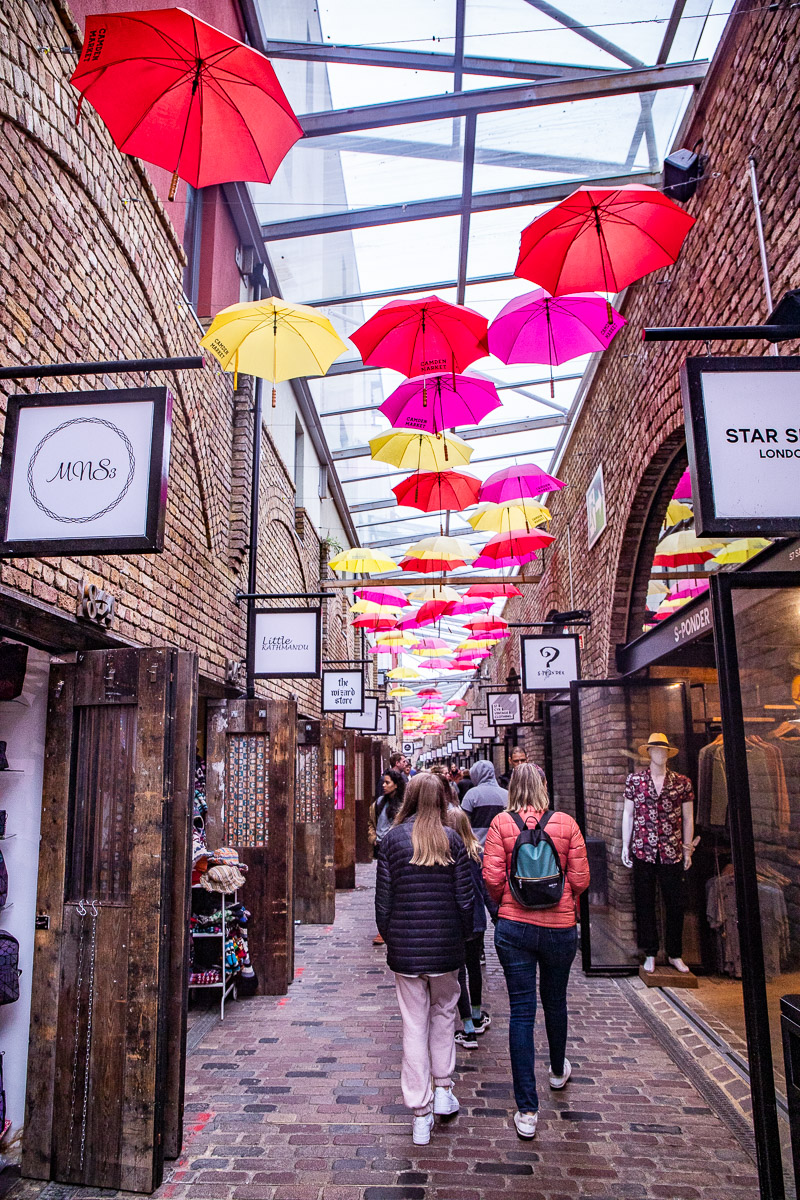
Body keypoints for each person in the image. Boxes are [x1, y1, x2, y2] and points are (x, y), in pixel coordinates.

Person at [483, 763, 590, 1141]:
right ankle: (558, 1070)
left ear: (512, 787)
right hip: (560, 928)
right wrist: (563, 900)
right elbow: (580, 879)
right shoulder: (565, 823)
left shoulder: (501, 824)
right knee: (556, 1001)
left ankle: (527, 1110)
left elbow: (493, 879)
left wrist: (506, 907)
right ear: (545, 786)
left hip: (515, 929)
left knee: (522, 1013)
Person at [375, 772, 474, 1146]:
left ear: (410, 798)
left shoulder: (392, 841)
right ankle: (445, 1088)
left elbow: (383, 903)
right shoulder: (452, 840)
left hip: (406, 949)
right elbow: (465, 901)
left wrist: (391, 937)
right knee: (445, 1014)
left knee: (413, 1024)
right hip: (446, 947)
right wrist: (462, 936)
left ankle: (420, 1112)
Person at [446, 806, 492, 1048]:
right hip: (476, 921)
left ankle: (467, 1027)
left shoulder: (447, 856)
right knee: (474, 968)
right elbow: (485, 891)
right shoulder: (477, 854)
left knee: (459, 973)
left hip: (456, 922)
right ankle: (476, 1012)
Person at [369, 768, 407, 945]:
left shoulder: (404, 805)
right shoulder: (379, 803)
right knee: (383, 889)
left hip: (399, 852)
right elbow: (371, 823)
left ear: (396, 785)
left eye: (387, 783)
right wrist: (373, 838)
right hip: (383, 851)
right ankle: (383, 930)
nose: (383, 786)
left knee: (397, 889)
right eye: (382, 782)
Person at [461, 760, 507, 845]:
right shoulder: (506, 794)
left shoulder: (471, 795)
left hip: (478, 847)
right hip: (501, 847)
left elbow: (463, 823)